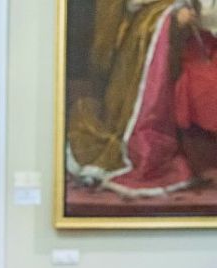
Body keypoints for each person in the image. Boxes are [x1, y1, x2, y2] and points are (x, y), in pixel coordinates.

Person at [67, 0, 217, 196]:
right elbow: (131, 6)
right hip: (146, 38)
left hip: (190, 39)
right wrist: (172, 16)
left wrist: (188, 13)